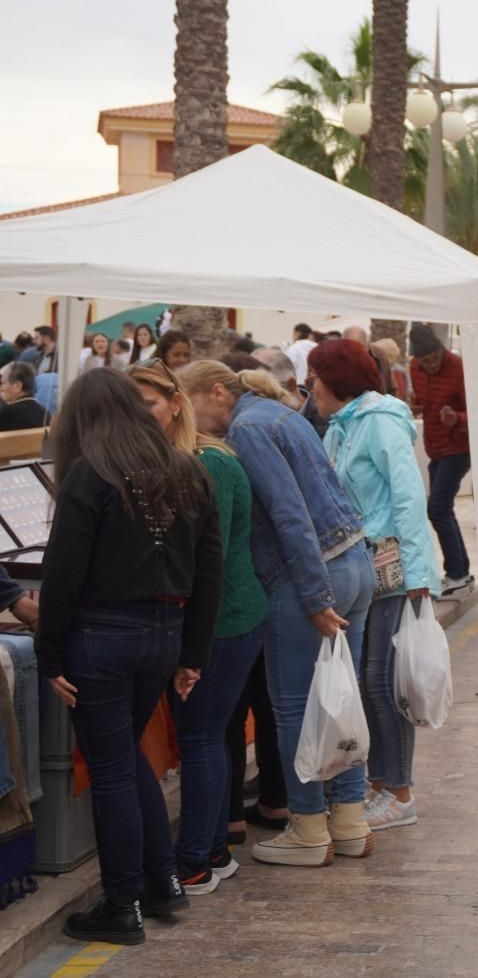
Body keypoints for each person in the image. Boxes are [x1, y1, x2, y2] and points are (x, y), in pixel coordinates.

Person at [36, 369, 223, 943]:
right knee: (127, 759)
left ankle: (121, 905)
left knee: (114, 770)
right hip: (163, 634)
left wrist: (49, 655)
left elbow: (63, 571)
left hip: (100, 636)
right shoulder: (187, 469)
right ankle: (160, 881)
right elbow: (209, 568)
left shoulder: (90, 473)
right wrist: (192, 652)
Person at [179, 360, 375, 868]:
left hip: (311, 575)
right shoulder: (278, 413)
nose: (188, 417)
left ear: (216, 392)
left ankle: (309, 827)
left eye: (189, 403)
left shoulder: (248, 428)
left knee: (294, 707)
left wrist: (313, 597)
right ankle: (350, 821)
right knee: (341, 697)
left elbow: (290, 514)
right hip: (353, 560)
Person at [128, 362, 265, 895]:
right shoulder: (192, 459)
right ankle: (213, 849)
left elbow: (210, 562)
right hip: (224, 618)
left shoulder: (207, 463)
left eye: (148, 404)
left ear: (177, 403)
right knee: (212, 736)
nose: (139, 416)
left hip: (224, 621)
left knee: (203, 736)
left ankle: (196, 863)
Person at [311, 340, 440, 833]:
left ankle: (400, 792)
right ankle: (382, 782)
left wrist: (417, 577)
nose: (311, 388)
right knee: (370, 682)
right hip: (365, 572)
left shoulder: (380, 421)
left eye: (316, 378)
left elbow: (408, 497)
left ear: (336, 380)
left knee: (386, 685)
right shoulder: (343, 426)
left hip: (393, 574)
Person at [407, 324, 474, 600]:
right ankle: (462, 572)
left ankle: (457, 572)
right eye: (425, 361)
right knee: (442, 508)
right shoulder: (415, 368)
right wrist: (416, 405)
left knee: (436, 508)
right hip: (435, 447)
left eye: (434, 357)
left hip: (458, 447)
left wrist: (456, 418)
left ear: (441, 350)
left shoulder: (458, 367)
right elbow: (425, 400)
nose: (431, 364)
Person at [0, 361, 47, 430]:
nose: (0, 388)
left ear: (17, 386)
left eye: (1, 383)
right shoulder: (46, 414)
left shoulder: (4, 414)